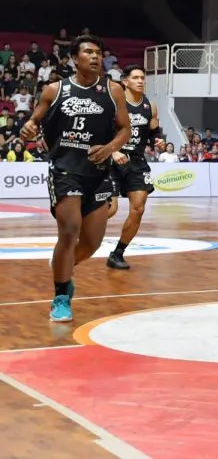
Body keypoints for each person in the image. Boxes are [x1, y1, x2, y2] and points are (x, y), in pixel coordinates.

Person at [20, 35, 131, 322]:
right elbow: (34, 121)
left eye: (98, 53)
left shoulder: (113, 90)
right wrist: (28, 127)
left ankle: (62, 265)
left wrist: (110, 148)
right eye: (88, 52)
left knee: (92, 243)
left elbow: (125, 130)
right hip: (65, 169)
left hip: (98, 173)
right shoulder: (54, 90)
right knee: (70, 230)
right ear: (74, 59)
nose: (95, 57)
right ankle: (60, 296)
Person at [106, 65, 164, 270]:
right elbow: (99, 131)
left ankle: (117, 253)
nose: (140, 81)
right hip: (111, 159)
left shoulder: (150, 106)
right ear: (125, 81)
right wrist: (113, 151)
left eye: (142, 78)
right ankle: (80, 228)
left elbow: (154, 131)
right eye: (136, 77)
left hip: (137, 161)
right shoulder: (114, 103)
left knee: (138, 208)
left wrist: (158, 141)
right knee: (110, 209)